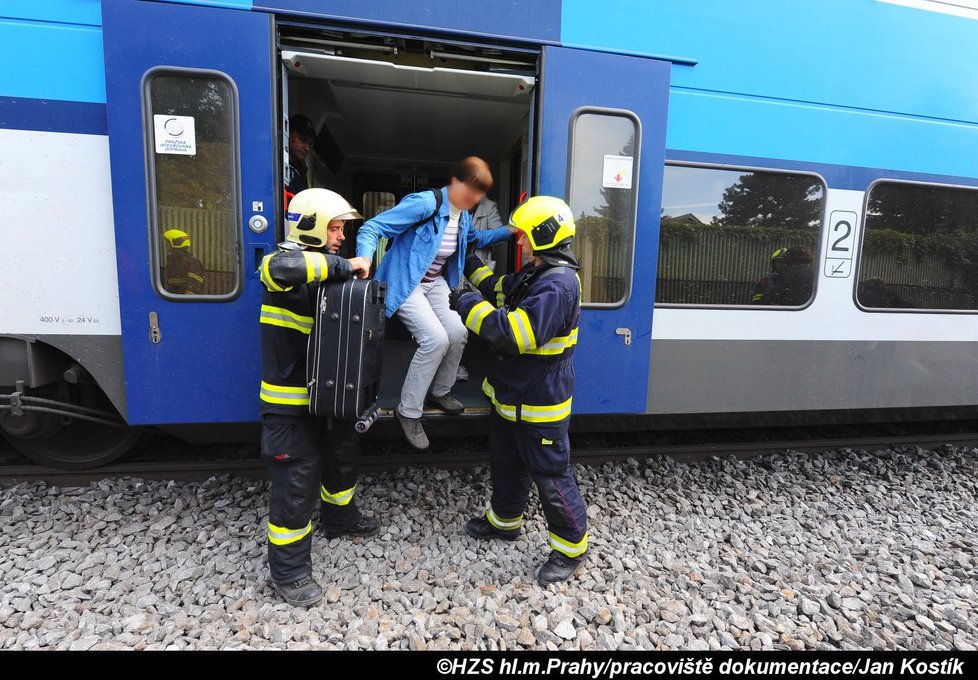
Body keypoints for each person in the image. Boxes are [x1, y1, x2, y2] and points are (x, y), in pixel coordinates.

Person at [453, 195, 589, 586]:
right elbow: (498, 287)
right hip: (511, 396)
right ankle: (504, 522)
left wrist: (466, 304)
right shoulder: (537, 272)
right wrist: (467, 261)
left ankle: (570, 548)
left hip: (539, 402)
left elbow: (514, 334)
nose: (519, 242)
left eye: (525, 236)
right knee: (506, 463)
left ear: (544, 237)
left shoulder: (558, 285)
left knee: (551, 474)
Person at [258, 188, 375, 607]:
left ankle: (340, 519)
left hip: (329, 398)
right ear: (310, 225)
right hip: (290, 405)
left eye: (343, 228)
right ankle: (289, 575)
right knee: (296, 485)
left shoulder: (326, 270)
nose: (342, 236)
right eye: (336, 227)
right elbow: (285, 268)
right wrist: (348, 264)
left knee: (343, 457)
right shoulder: (281, 263)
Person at [355, 157, 514, 450]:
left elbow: (476, 239)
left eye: (479, 193)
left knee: (458, 332)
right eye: (472, 190)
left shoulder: (463, 215)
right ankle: (409, 410)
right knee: (435, 339)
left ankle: (440, 391)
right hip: (407, 282)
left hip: (435, 282)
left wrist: (511, 230)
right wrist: (365, 258)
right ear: (455, 182)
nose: (475, 198)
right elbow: (373, 228)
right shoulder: (425, 204)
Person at [458, 196, 505, 382]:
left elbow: (500, 235)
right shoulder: (453, 203)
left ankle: (465, 363)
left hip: (478, 269)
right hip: (453, 269)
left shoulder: (489, 206)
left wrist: (474, 239)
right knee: (452, 315)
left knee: (472, 315)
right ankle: (455, 364)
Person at [161, 229, 205, 294]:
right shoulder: (171, 264)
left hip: (183, 303)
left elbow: (193, 290)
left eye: (167, 243)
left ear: (175, 243)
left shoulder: (193, 263)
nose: (166, 245)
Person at [285, 114, 318, 197]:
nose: (307, 148)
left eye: (310, 144)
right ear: (288, 134)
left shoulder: (302, 169)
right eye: (303, 140)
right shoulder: (275, 159)